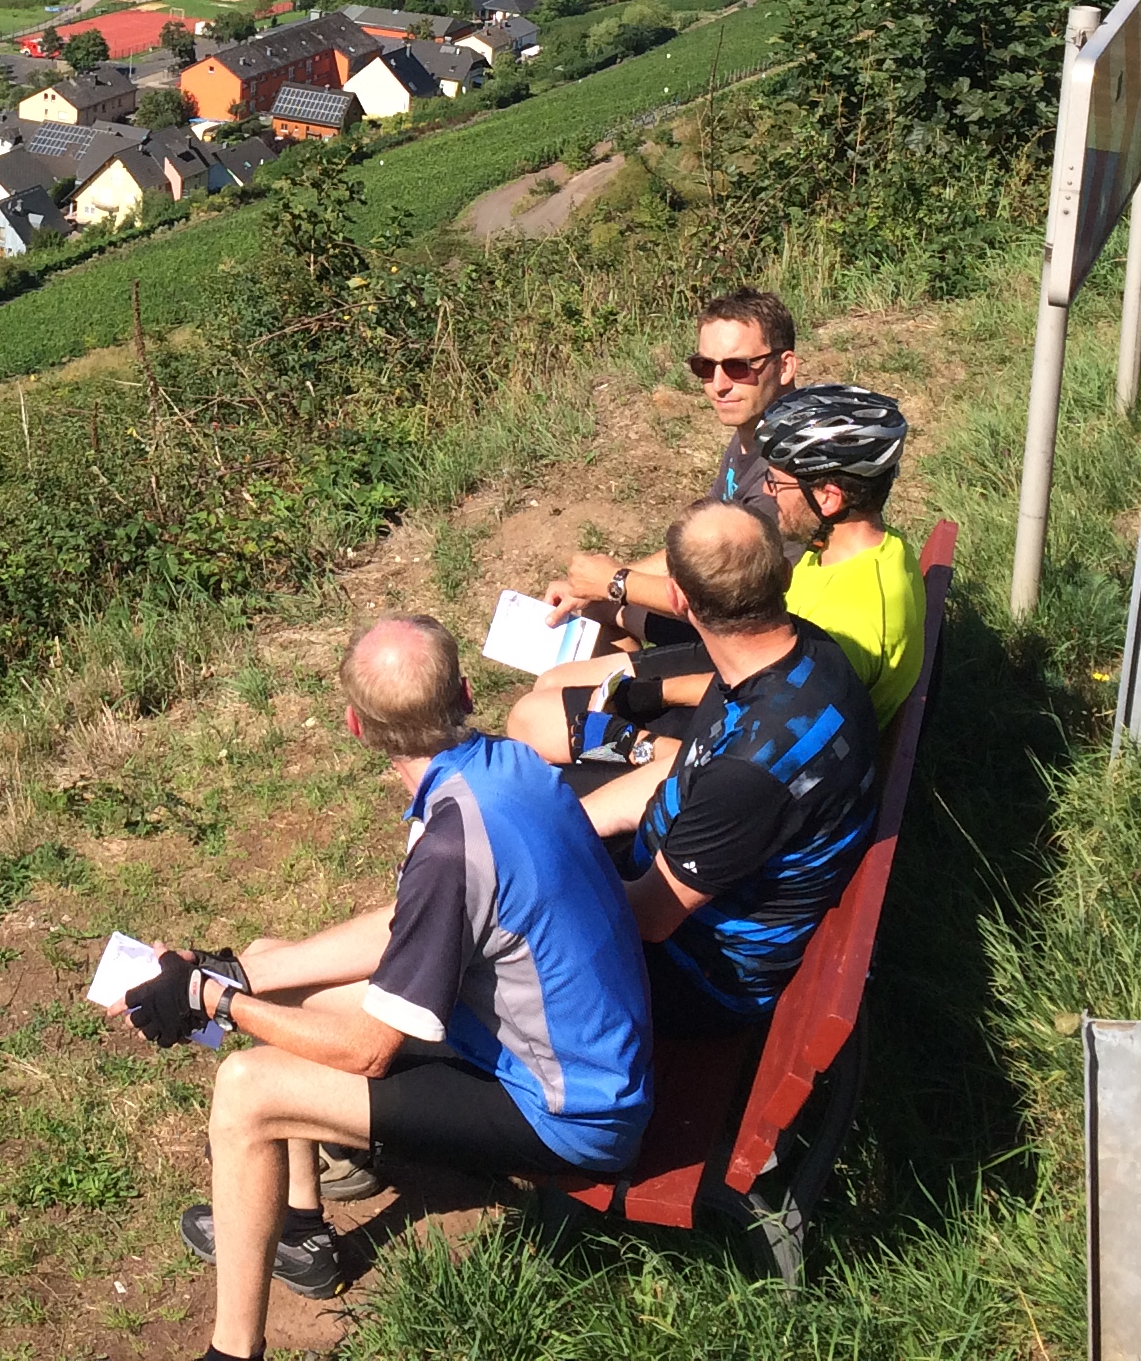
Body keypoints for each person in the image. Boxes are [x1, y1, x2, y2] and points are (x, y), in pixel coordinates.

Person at [115, 614, 651, 1361]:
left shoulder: (452, 843)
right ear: (464, 692)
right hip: (575, 1047)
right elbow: (410, 922)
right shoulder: (510, 766)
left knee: (246, 1089)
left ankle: (233, 1352)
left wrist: (215, 1004)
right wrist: (237, 968)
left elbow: (369, 1049)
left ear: (356, 728)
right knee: (278, 962)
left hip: (572, 1110)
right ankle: (298, 1232)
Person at [577, 500, 880, 1038]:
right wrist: (570, 823)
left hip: (699, 972)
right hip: (681, 871)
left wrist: (529, 872)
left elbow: (649, 919)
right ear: (782, 575)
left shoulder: (752, 772)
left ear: (677, 599)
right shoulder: (800, 650)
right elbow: (686, 770)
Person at [506, 289, 799, 769]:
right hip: (719, 622)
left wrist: (616, 583)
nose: (719, 384)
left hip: (738, 639)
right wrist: (600, 588)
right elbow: (697, 552)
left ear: (784, 367)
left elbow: (723, 594)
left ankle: (619, 746)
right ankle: (613, 722)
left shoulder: (782, 478)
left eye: (738, 367)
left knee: (547, 698)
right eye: (706, 368)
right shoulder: (751, 435)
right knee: (599, 614)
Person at [753, 384, 922, 728]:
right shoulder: (881, 549)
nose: (765, 490)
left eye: (775, 481)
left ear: (828, 498)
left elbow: (778, 721)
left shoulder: (846, 623)